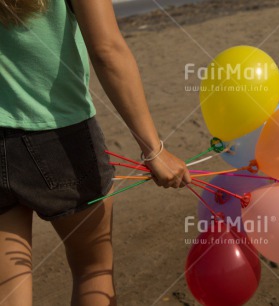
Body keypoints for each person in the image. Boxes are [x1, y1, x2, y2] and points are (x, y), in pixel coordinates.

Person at [0, 0, 191, 305]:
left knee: (7, 289)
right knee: (93, 270)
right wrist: (154, 149)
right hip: (59, 135)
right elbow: (107, 50)